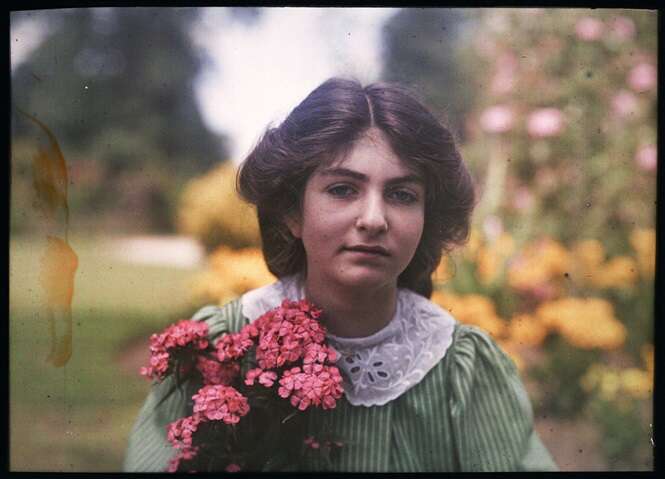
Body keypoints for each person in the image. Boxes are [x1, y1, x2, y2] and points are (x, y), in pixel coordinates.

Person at [124, 77, 558, 472]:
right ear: (293, 211)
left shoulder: (463, 372)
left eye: (402, 195)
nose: (373, 219)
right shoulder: (222, 349)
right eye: (342, 189)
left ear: (428, 217)